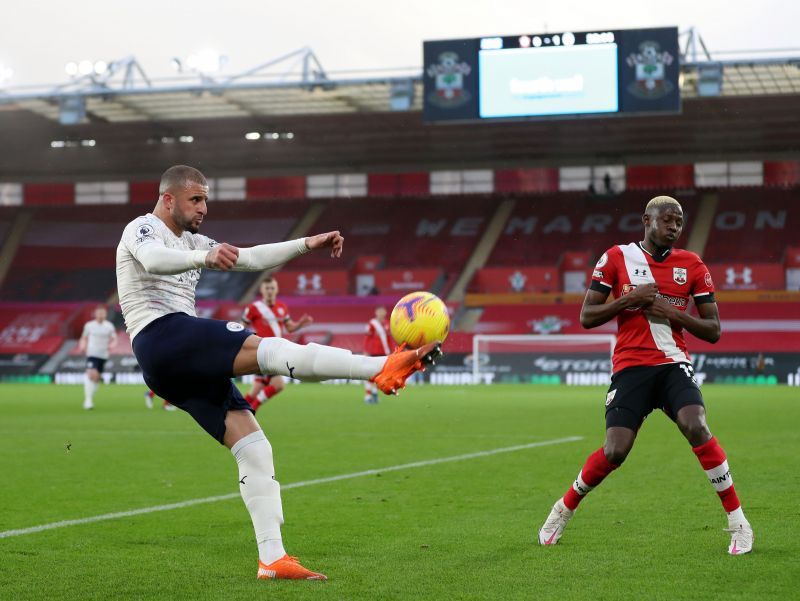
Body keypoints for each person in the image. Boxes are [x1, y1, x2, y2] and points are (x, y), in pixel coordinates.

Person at [115, 165, 440, 581]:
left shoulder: (196, 239)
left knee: (253, 445)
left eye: (206, 200)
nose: (204, 208)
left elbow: (249, 258)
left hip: (173, 366)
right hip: (160, 335)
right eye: (196, 199)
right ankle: (380, 367)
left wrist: (307, 244)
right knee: (267, 350)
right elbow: (153, 261)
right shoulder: (142, 229)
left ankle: (272, 558)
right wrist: (203, 256)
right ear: (168, 199)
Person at [537, 196, 753, 555]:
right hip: (631, 367)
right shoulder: (616, 258)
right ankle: (563, 508)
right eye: (667, 220)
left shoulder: (693, 265)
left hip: (672, 364)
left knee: (696, 424)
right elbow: (587, 317)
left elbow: (713, 330)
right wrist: (628, 299)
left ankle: (738, 522)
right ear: (646, 220)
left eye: (679, 222)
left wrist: (669, 311)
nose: (674, 227)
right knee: (615, 451)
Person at [240, 277, 312, 412]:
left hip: (277, 350)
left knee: (257, 388)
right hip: (263, 351)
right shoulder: (254, 308)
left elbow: (289, 327)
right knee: (278, 385)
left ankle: (236, 410)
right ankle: (252, 409)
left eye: (272, 288)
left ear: (276, 289)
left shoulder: (282, 307)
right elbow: (241, 327)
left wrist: (300, 324)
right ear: (262, 290)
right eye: (267, 288)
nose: (269, 291)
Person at [77, 305, 117, 410]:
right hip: (92, 353)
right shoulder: (89, 325)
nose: (100, 315)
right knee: (91, 373)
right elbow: (83, 338)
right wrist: (82, 346)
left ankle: (89, 396)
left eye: (102, 313)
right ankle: (88, 401)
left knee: (96, 378)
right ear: (95, 314)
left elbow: (114, 339)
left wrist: (111, 345)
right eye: (99, 313)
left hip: (103, 355)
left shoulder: (109, 326)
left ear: (105, 314)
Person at [363, 306, 391, 404]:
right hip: (373, 352)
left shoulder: (387, 323)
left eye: (382, 311)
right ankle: (367, 395)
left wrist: (391, 351)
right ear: (376, 313)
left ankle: (374, 393)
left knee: (380, 375)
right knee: (371, 374)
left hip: (384, 352)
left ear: (385, 312)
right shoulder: (372, 324)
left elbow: (389, 339)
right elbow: (367, 337)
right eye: (379, 311)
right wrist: (366, 350)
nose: (380, 313)